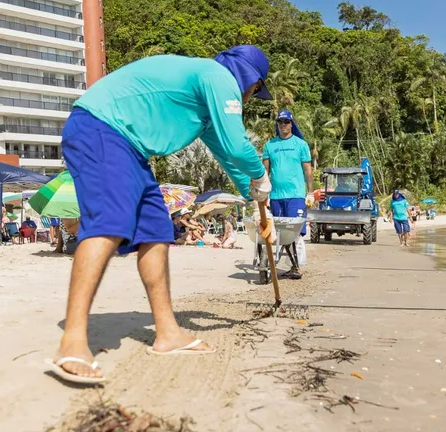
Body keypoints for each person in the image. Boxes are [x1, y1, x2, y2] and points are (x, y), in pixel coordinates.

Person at [47, 45, 274, 384]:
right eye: (256, 91)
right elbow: (237, 144)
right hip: (103, 127)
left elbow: (227, 155)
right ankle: (73, 341)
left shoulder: (205, 100)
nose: (252, 98)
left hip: (131, 147)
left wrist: (256, 198)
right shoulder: (219, 78)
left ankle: (167, 333)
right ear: (250, 80)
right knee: (110, 221)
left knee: (155, 228)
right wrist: (261, 175)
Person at [262, 110, 313, 280]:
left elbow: (308, 171)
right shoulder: (270, 145)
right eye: (280, 122)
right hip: (276, 196)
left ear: (291, 124)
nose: (283, 125)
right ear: (277, 124)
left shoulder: (301, 144)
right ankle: (281, 264)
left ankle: (297, 266)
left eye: (286, 122)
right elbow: (265, 172)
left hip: (296, 196)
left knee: (294, 232)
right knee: (279, 233)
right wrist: (263, 194)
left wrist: (310, 193)